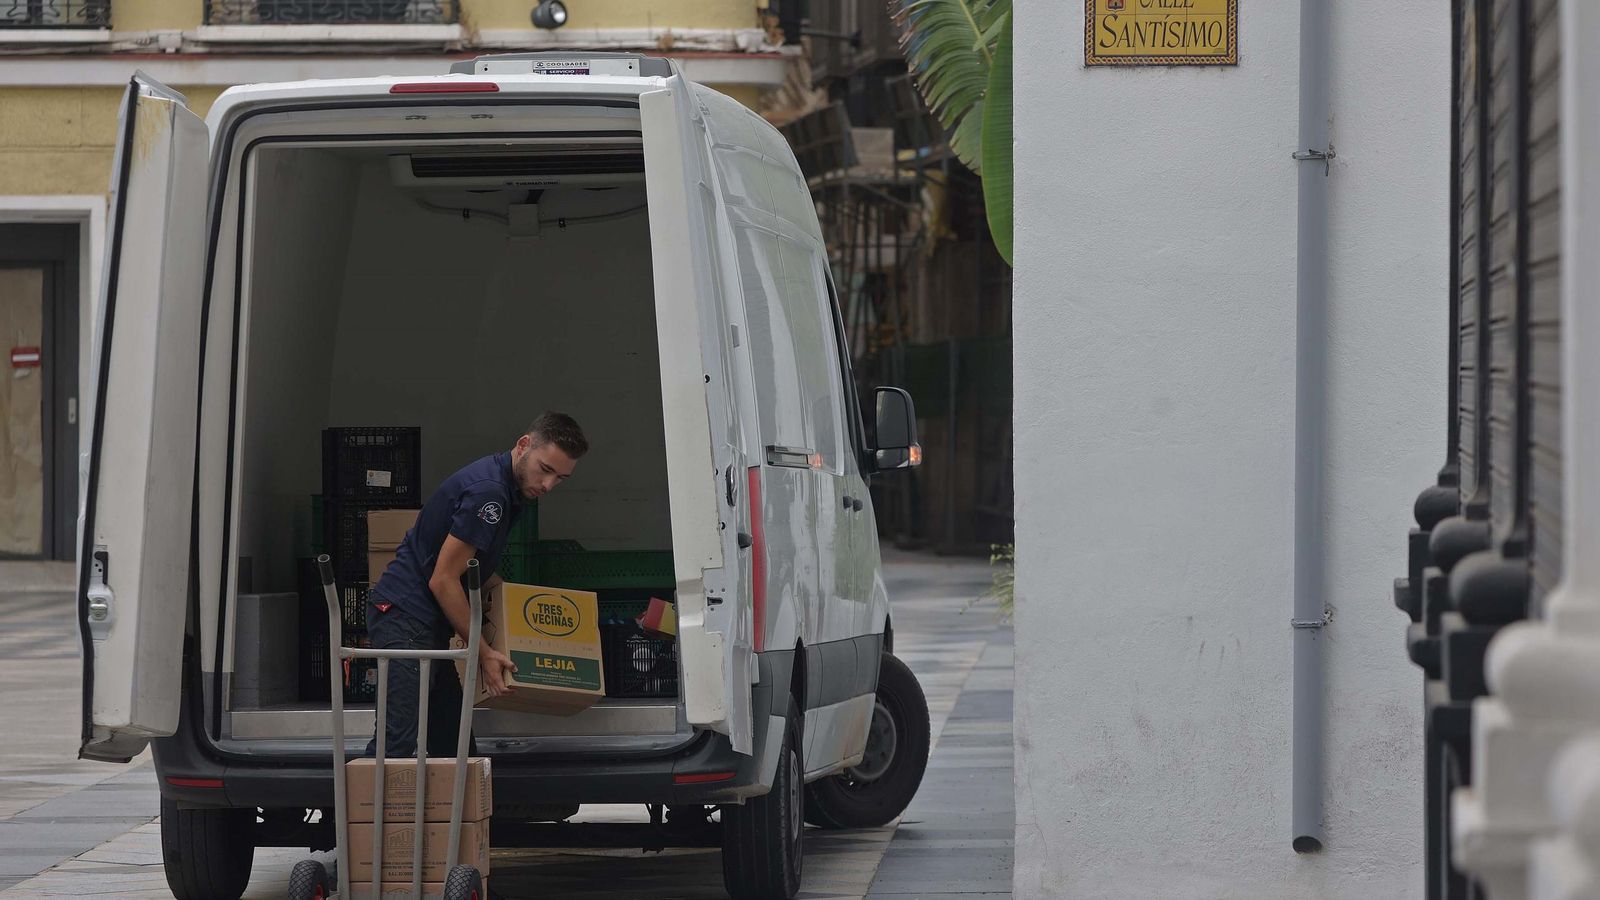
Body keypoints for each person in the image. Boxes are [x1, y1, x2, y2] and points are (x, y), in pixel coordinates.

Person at [364, 412, 589, 758]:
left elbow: (474, 569)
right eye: (545, 470)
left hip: (424, 624)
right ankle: (362, 812)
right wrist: (484, 654)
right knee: (397, 742)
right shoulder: (490, 494)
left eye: (560, 478)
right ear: (523, 445)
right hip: (405, 617)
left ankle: (460, 813)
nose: (548, 486)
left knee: (453, 746)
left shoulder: (505, 487)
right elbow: (443, 580)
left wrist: (516, 609)